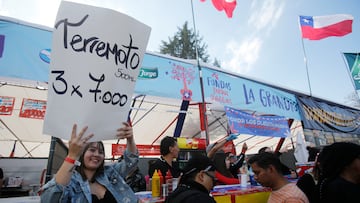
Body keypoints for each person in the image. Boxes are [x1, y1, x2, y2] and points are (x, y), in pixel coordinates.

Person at [40, 122, 140, 203]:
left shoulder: (110, 173)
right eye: (92, 150)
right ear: (82, 153)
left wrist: (130, 139)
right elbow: (49, 199)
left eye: (101, 152)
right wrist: (72, 156)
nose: (97, 154)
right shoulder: (71, 182)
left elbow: (131, 161)